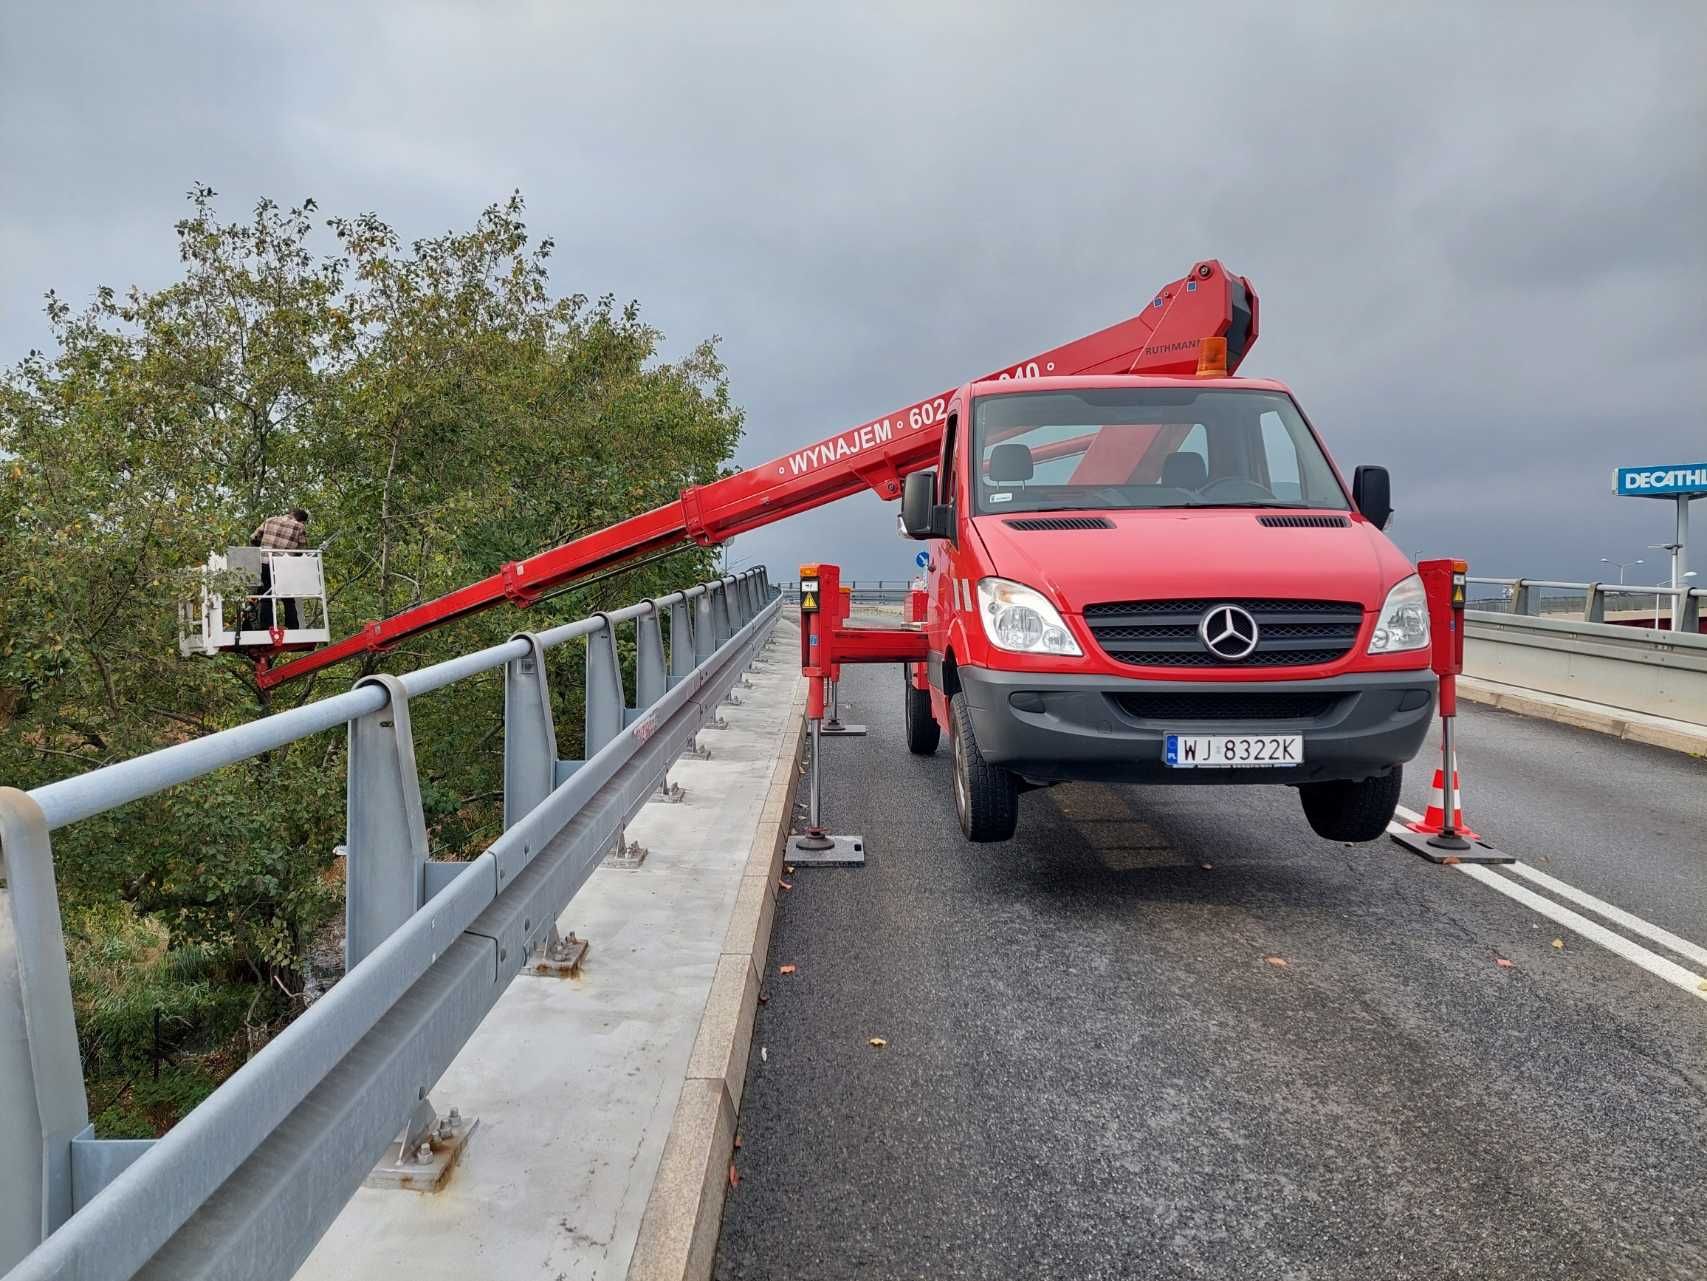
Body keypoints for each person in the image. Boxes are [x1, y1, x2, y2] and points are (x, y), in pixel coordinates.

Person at [249, 508, 309, 631]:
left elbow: (254, 538)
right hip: (283, 565)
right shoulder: (299, 527)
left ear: (291, 513)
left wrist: (263, 546)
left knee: (266, 594)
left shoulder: (270, 520)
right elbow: (302, 549)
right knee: (287, 596)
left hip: (264, 562)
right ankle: (292, 626)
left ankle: (266, 626)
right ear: (302, 520)